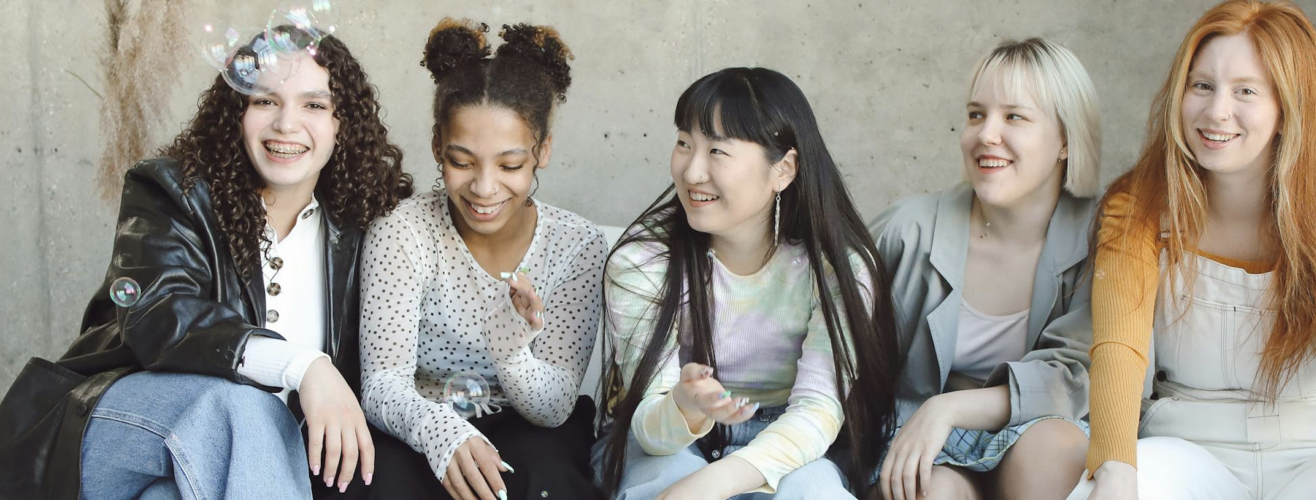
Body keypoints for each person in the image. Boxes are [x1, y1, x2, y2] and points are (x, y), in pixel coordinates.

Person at [0, 27, 412, 499]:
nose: (286, 123)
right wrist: (305, 365)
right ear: (237, 112)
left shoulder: (363, 228)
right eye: (264, 101)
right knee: (239, 410)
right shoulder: (170, 190)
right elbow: (160, 312)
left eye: (314, 105)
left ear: (343, 123)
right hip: (119, 431)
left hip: (235, 472)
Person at [1071, 1, 1316, 499]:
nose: (1216, 111)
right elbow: (1119, 352)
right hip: (1187, 446)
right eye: (1202, 86)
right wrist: (1113, 472)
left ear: (1289, 108)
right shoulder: (1138, 209)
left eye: (1246, 91)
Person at [593, 67, 902, 500]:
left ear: (783, 169)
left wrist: (710, 485)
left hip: (793, 438)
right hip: (672, 444)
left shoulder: (838, 267)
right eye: (684, 143)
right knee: (666, 478)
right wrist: (683, 404)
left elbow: (817, 411)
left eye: (717, 150)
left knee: (814, 490)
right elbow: (649, 429)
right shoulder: (642, 261)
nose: (692, 172)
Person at [339, 18, 606, 500]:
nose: (484, 188)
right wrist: (440, 431)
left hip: (527, 425)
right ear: (437, 146)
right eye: (461, 162)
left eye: (510, 165)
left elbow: (555, 407)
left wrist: (511, 351)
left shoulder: (577, 245)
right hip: (416, 421)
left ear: (542, 151)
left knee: (547, 480)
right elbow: (381, 384)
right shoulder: (402, 231)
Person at [869, 37, 1100, 500]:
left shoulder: (1106, 238)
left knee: (1055, 448)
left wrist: (949, 407)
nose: (986, 134)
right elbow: (837, 353)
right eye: (976, 115)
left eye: (1014, 117)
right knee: (929, 491)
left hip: (1040, 432)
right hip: (920, 435)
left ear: (1065, 140)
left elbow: (1084, 377)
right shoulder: (907, 230)